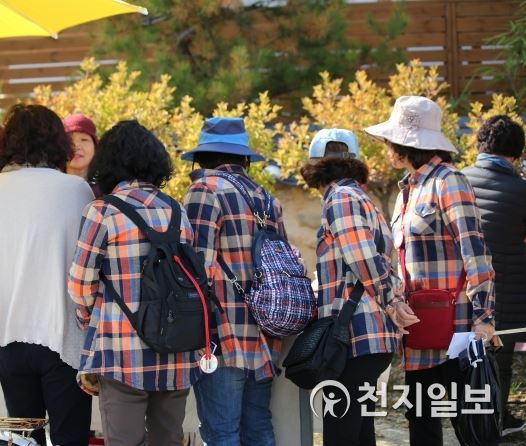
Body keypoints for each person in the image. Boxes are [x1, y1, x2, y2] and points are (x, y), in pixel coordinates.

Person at [365, 96, 495, 446]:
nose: (386, 148)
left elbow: (475, 251)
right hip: (419, 329)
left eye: (390, 141)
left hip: (457, 331)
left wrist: (484, 317)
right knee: (420, 420)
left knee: (471, 423)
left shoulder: (449, 181)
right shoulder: (406, 190)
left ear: (404, 145)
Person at [0, 104, 93, 446]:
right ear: (57, 142)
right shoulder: (76, 190)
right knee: (71, 438)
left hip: (9, 333)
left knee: (23, 440)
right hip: (63, 332)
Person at [68, 120, 198, 446]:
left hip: (120, 350)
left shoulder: (102, 212)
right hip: (176, 347)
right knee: (168, 440)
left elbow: (80, 284)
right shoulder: (177, 211)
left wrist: (90, 319)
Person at [181, 117, 284, 445]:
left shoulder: (204, 191)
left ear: (201, 158)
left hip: (221, 335)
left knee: (221, 432)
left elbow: (197, 268)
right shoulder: (266, 198)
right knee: (259, 428)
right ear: (244, 158)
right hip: (266, 332)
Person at [300, 129, 400, 446]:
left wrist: (393, 302)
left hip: (354, 334)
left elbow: (363, 258)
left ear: (315, 166)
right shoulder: (362, 200)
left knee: (341, 432)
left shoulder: (341, 199)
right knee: (359, 430)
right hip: (368, 334)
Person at [461, 115, 526, 437]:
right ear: (518, 153)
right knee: (500, 361)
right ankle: (493, 426)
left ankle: (472, 423)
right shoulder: (521, 189)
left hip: (464, 290)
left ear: (479, 145)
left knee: (466, 359)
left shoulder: (458, 181)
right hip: (509, 291)